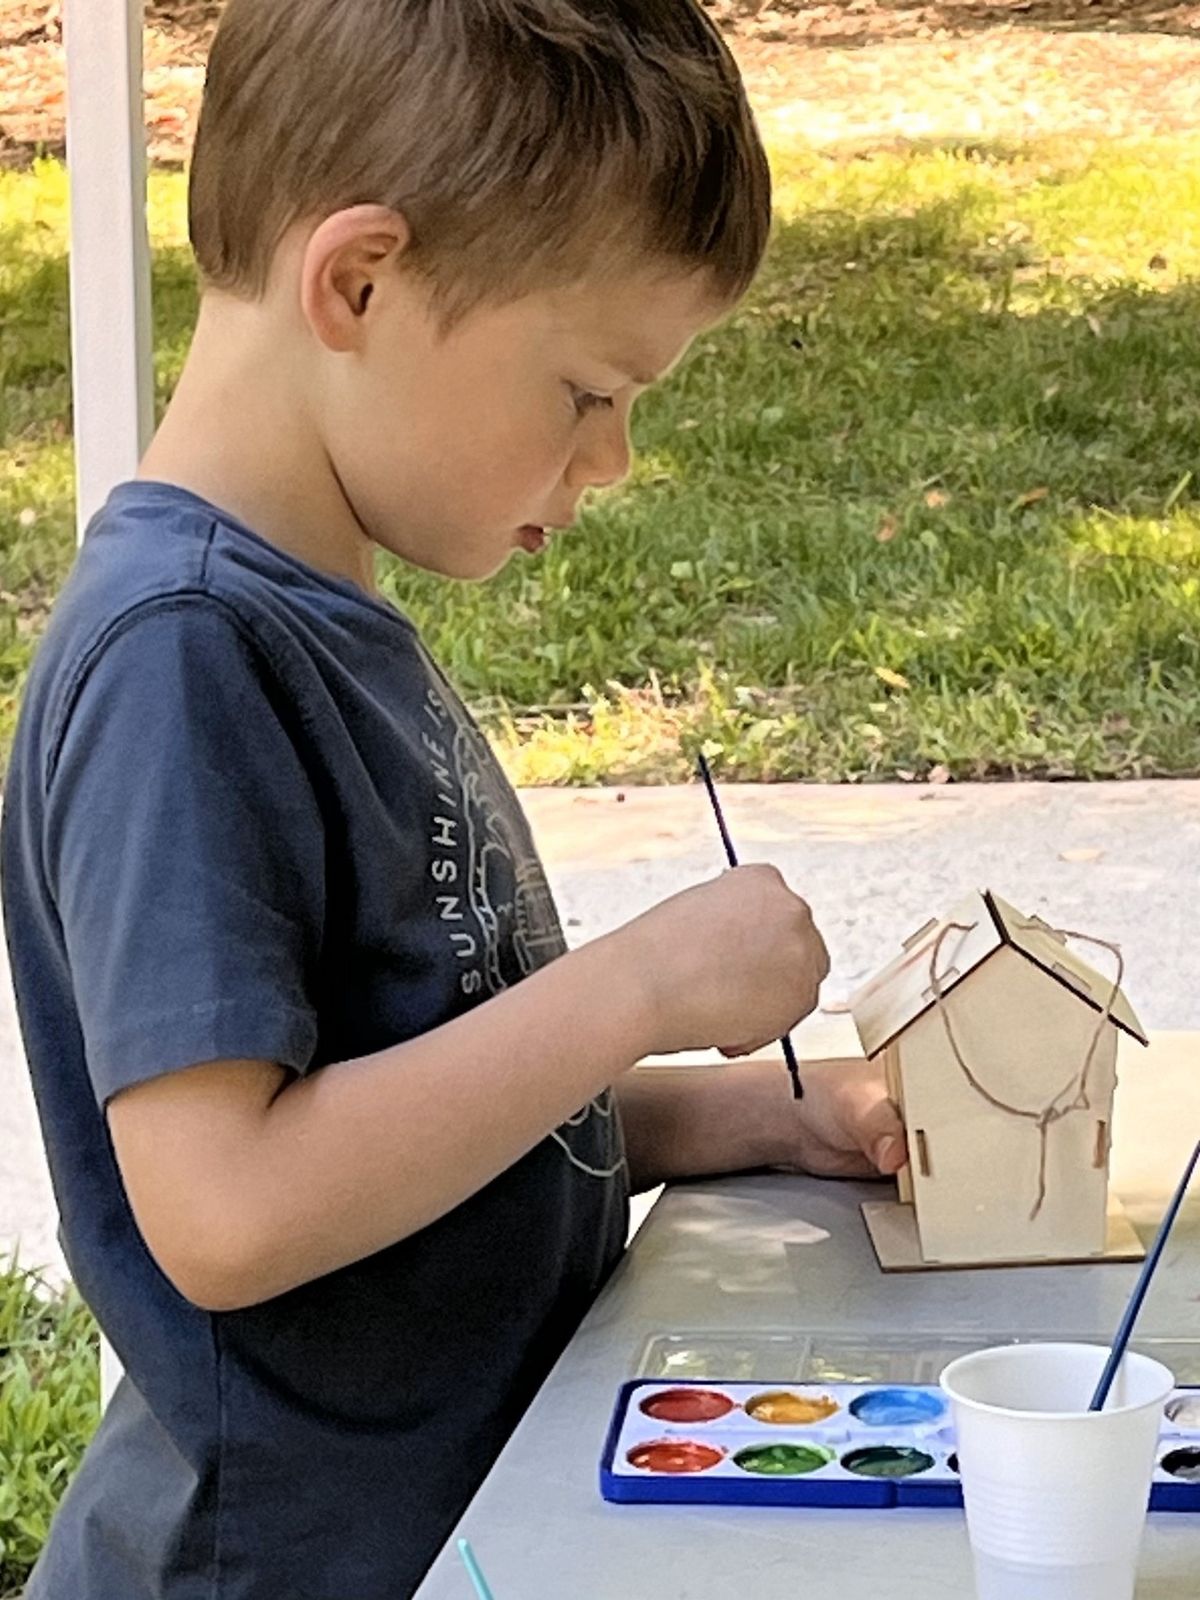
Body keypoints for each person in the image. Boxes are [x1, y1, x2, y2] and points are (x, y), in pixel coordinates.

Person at [1, 3, 906, 1596]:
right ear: (359, 282)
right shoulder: (183, 657)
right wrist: (634, 988)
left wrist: (755, 1114)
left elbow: (441, 1111)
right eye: (586, 390)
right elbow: (229, 1205)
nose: (616, 457)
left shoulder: (315, 620)